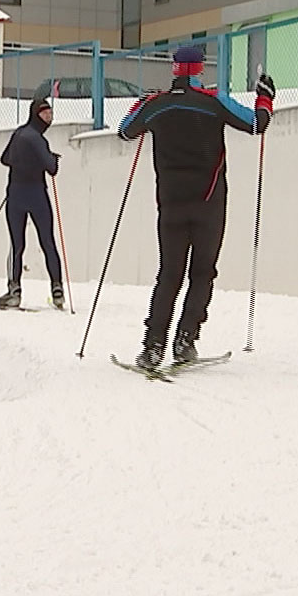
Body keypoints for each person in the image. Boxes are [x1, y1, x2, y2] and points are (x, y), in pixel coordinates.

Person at [117, 45, 273, 370]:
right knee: (202, 273)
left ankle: (153, 346)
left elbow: (125, 130)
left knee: (169, 273)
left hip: (170, 205)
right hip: (209, 203)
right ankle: (186, 339)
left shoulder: (157, 105)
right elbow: (258, 125)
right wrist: (265, 96)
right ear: (200, 68)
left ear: (174, 68)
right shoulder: (213, 102)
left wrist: (143, 103)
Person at [0, 94, 65, 310]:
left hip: (15, 194)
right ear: (37, 115)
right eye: (46, 113)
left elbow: (4, 158)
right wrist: (52, 157)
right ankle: (57, 290)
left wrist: (21, 162)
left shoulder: (19, 134)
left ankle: (14, 291)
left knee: (17, 245)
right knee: (47, 242)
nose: (49, 116)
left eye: (50, 112)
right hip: (36, 195)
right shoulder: (38, 139)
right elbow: (51, 168)